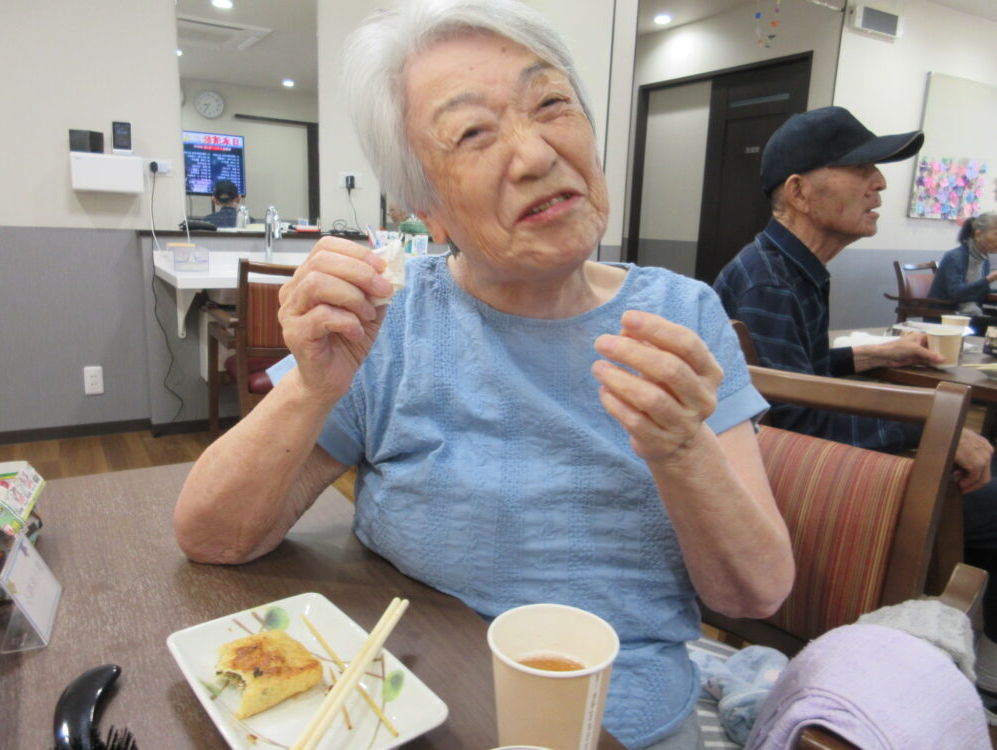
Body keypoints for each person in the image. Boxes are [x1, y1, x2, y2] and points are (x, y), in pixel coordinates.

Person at [173, 1, 795, 748]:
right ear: (425, 211)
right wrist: (313, 385)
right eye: (472, 133)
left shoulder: (682, 314)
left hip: (617, 722)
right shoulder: (388, 319)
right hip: (408, 711)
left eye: (552, 104)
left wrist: (683, 450)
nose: (535, 155)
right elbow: (211, 536)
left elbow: (754, 592)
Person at [712, 105, 997, 720]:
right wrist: (932, 435)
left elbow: (797, 379)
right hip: (815, 495)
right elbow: (793, 423)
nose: (881, 184)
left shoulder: (786, 268)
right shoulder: (770, 283)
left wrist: (869, 356)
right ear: (799, 192)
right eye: (861, 168)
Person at [928, 212, 997, 334]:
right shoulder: (955, 257)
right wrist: (989, 279)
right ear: (978, 234)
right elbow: (957, 294)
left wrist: (988, 283)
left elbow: (980, 292)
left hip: (972, 312)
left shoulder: (984, 259)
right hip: (948, 315)